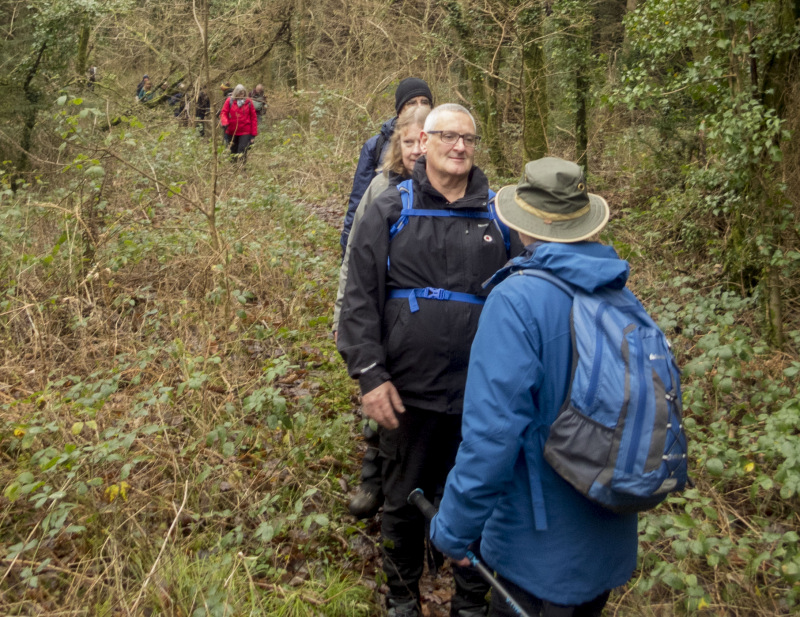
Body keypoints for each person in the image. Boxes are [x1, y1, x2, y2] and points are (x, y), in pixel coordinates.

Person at [430, 157, 639, 617]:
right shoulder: (620, 294)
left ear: (523, 225)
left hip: (537, 551)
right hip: (609, 532)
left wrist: (454, 527)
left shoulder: (515, 300)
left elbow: (491, 438)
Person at [337, 103, 522, 617]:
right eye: (448, 137)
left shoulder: (499, 216)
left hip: (479, 394)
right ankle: (402, 599)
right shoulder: (390, 208)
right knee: (401, 499)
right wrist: (371, 376)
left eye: (468, 138)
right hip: (407, 391)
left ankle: (469, 602)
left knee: (479, 497)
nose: (459, 146)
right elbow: (358, 299)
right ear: (425, 140)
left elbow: (526, 300)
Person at [333, 104, 430, 519]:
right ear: (398, 145)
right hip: (384, 318)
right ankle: (373, 481)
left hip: (423, 328)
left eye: (422, 141)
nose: (416, 150)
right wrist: (344, 318)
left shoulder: (456, 192)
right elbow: (355, 257)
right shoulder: (380, 189)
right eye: (408, 142)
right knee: (381, 403)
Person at [339, 77, 433, 258]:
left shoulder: (446, 149)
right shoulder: (376, 145)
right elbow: (359, 202)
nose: (419, 107)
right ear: (399, 110)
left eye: (424, 102)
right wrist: (348, 244)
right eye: (411, 102)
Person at [220, 84, 258, 163]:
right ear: (236, 93)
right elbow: (224, 113)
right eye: (240, 93)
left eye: (243, 93)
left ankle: (242, 169)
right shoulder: (229, 101)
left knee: (242, 150)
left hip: (245, 131)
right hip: (231, 131)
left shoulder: (249, 102)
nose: (242, 95)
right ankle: (233, 168)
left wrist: (253, 135)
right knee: (233, 151)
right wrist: (225, 122)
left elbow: (253, 118)